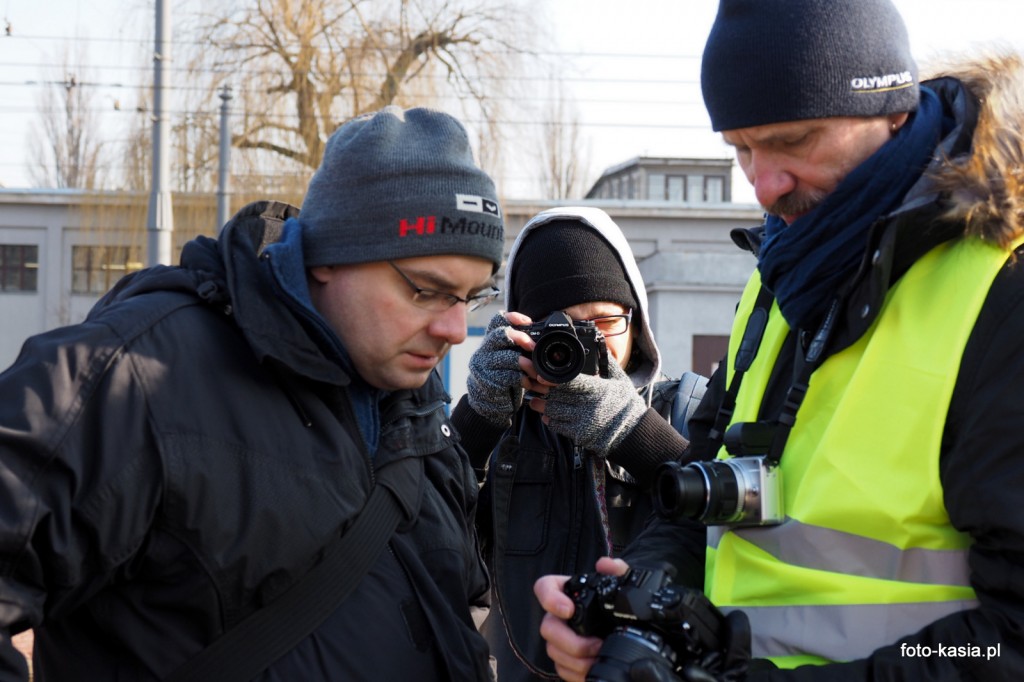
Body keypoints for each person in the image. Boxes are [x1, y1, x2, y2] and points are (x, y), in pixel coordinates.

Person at [533, 0, 1024, 680]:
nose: (764, 185)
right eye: (740, 148)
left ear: (894, 112)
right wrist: (638, 604)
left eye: (794, 141)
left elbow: (1004, 643)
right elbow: (704, 495)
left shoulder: (1003, 288)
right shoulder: (783, 273)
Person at [0, 106, 506, 680]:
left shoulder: (418, 408)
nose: (454, 329)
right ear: (331, 257)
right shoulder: (140, 374)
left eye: (472, 297)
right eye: (427, 291)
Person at [451, 207, 707, 681]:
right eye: (561, 329)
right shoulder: (503, 430)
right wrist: (477, 420)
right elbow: (424, 545)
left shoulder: (691, 410)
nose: (590, 343)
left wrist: (633, 431)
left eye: (605, 322)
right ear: (523, 332)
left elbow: (725, 533)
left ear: (635, 319)